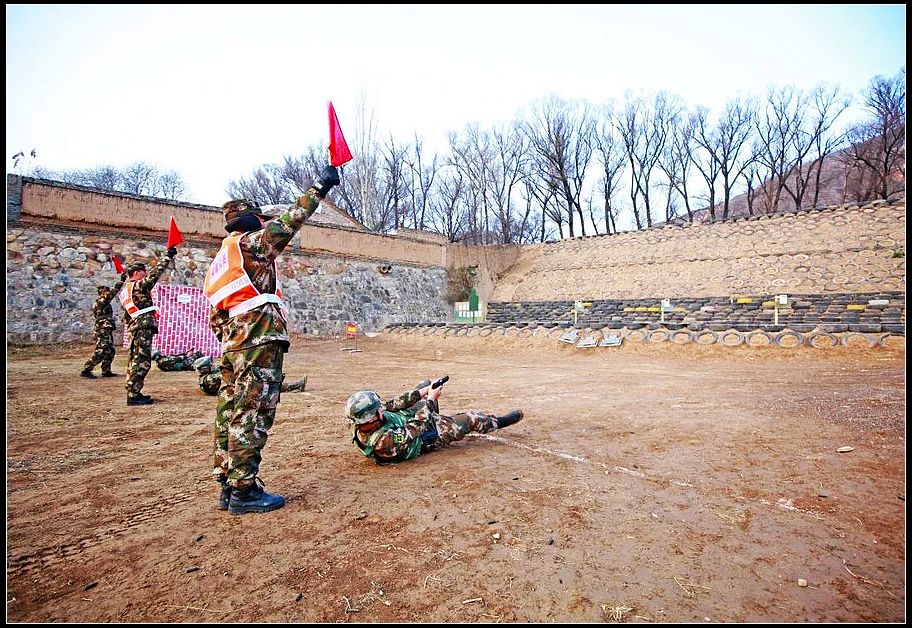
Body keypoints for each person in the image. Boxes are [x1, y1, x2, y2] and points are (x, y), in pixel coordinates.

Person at [203, 164, 340, 516]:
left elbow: (216, 314)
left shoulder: (222, 259)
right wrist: (320, 187)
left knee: (229, 410)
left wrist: (233, 341)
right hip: (258, 339)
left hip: (234, 343)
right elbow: (290, 222)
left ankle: (228, 484)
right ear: (251, 220)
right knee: (253, 410)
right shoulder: (251, 245)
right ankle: (244, 491)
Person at [345, 377, 523, 464]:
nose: (380, 409)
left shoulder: (363, 420)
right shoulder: (383, 441)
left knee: (425, 384)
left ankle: (430, 401)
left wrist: (424, 391)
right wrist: (430, 399)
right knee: (470, 419)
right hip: (422, 436)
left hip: (404, 422)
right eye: (377, 410)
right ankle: (499, 421)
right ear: (370, 418)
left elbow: (393, 404)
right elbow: (418, 426)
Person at [120, 249, 176, 405]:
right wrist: (167, 257)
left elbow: (127, 315)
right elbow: (154, 275)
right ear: (136, 273)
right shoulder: (138, 286)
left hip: (136, 326)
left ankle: (133, 390)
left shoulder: (126, 290)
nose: (145, 274)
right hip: (142, 327)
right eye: (143, 271)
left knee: (134, 359)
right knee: (141, 361)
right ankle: (133, 395)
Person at [80, 273, 127, 378]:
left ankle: (106, 370)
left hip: (106, 328)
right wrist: (121, 281)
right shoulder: (101, 301)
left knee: (110, 350)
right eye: (106, 291)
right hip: (102, 329)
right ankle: (87, 369)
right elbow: (113, 293)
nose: (108, 293)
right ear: (102, 293)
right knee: (102, 349)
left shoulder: (104, 303)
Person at [193, 355, 307, 396]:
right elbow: (232, 375)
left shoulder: (206, 378)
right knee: (265, 385)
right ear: (205, 368)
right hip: (241, 389)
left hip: (238, 387)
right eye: (210, 365)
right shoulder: (210, 378)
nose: (213, 365)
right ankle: (294, 386)